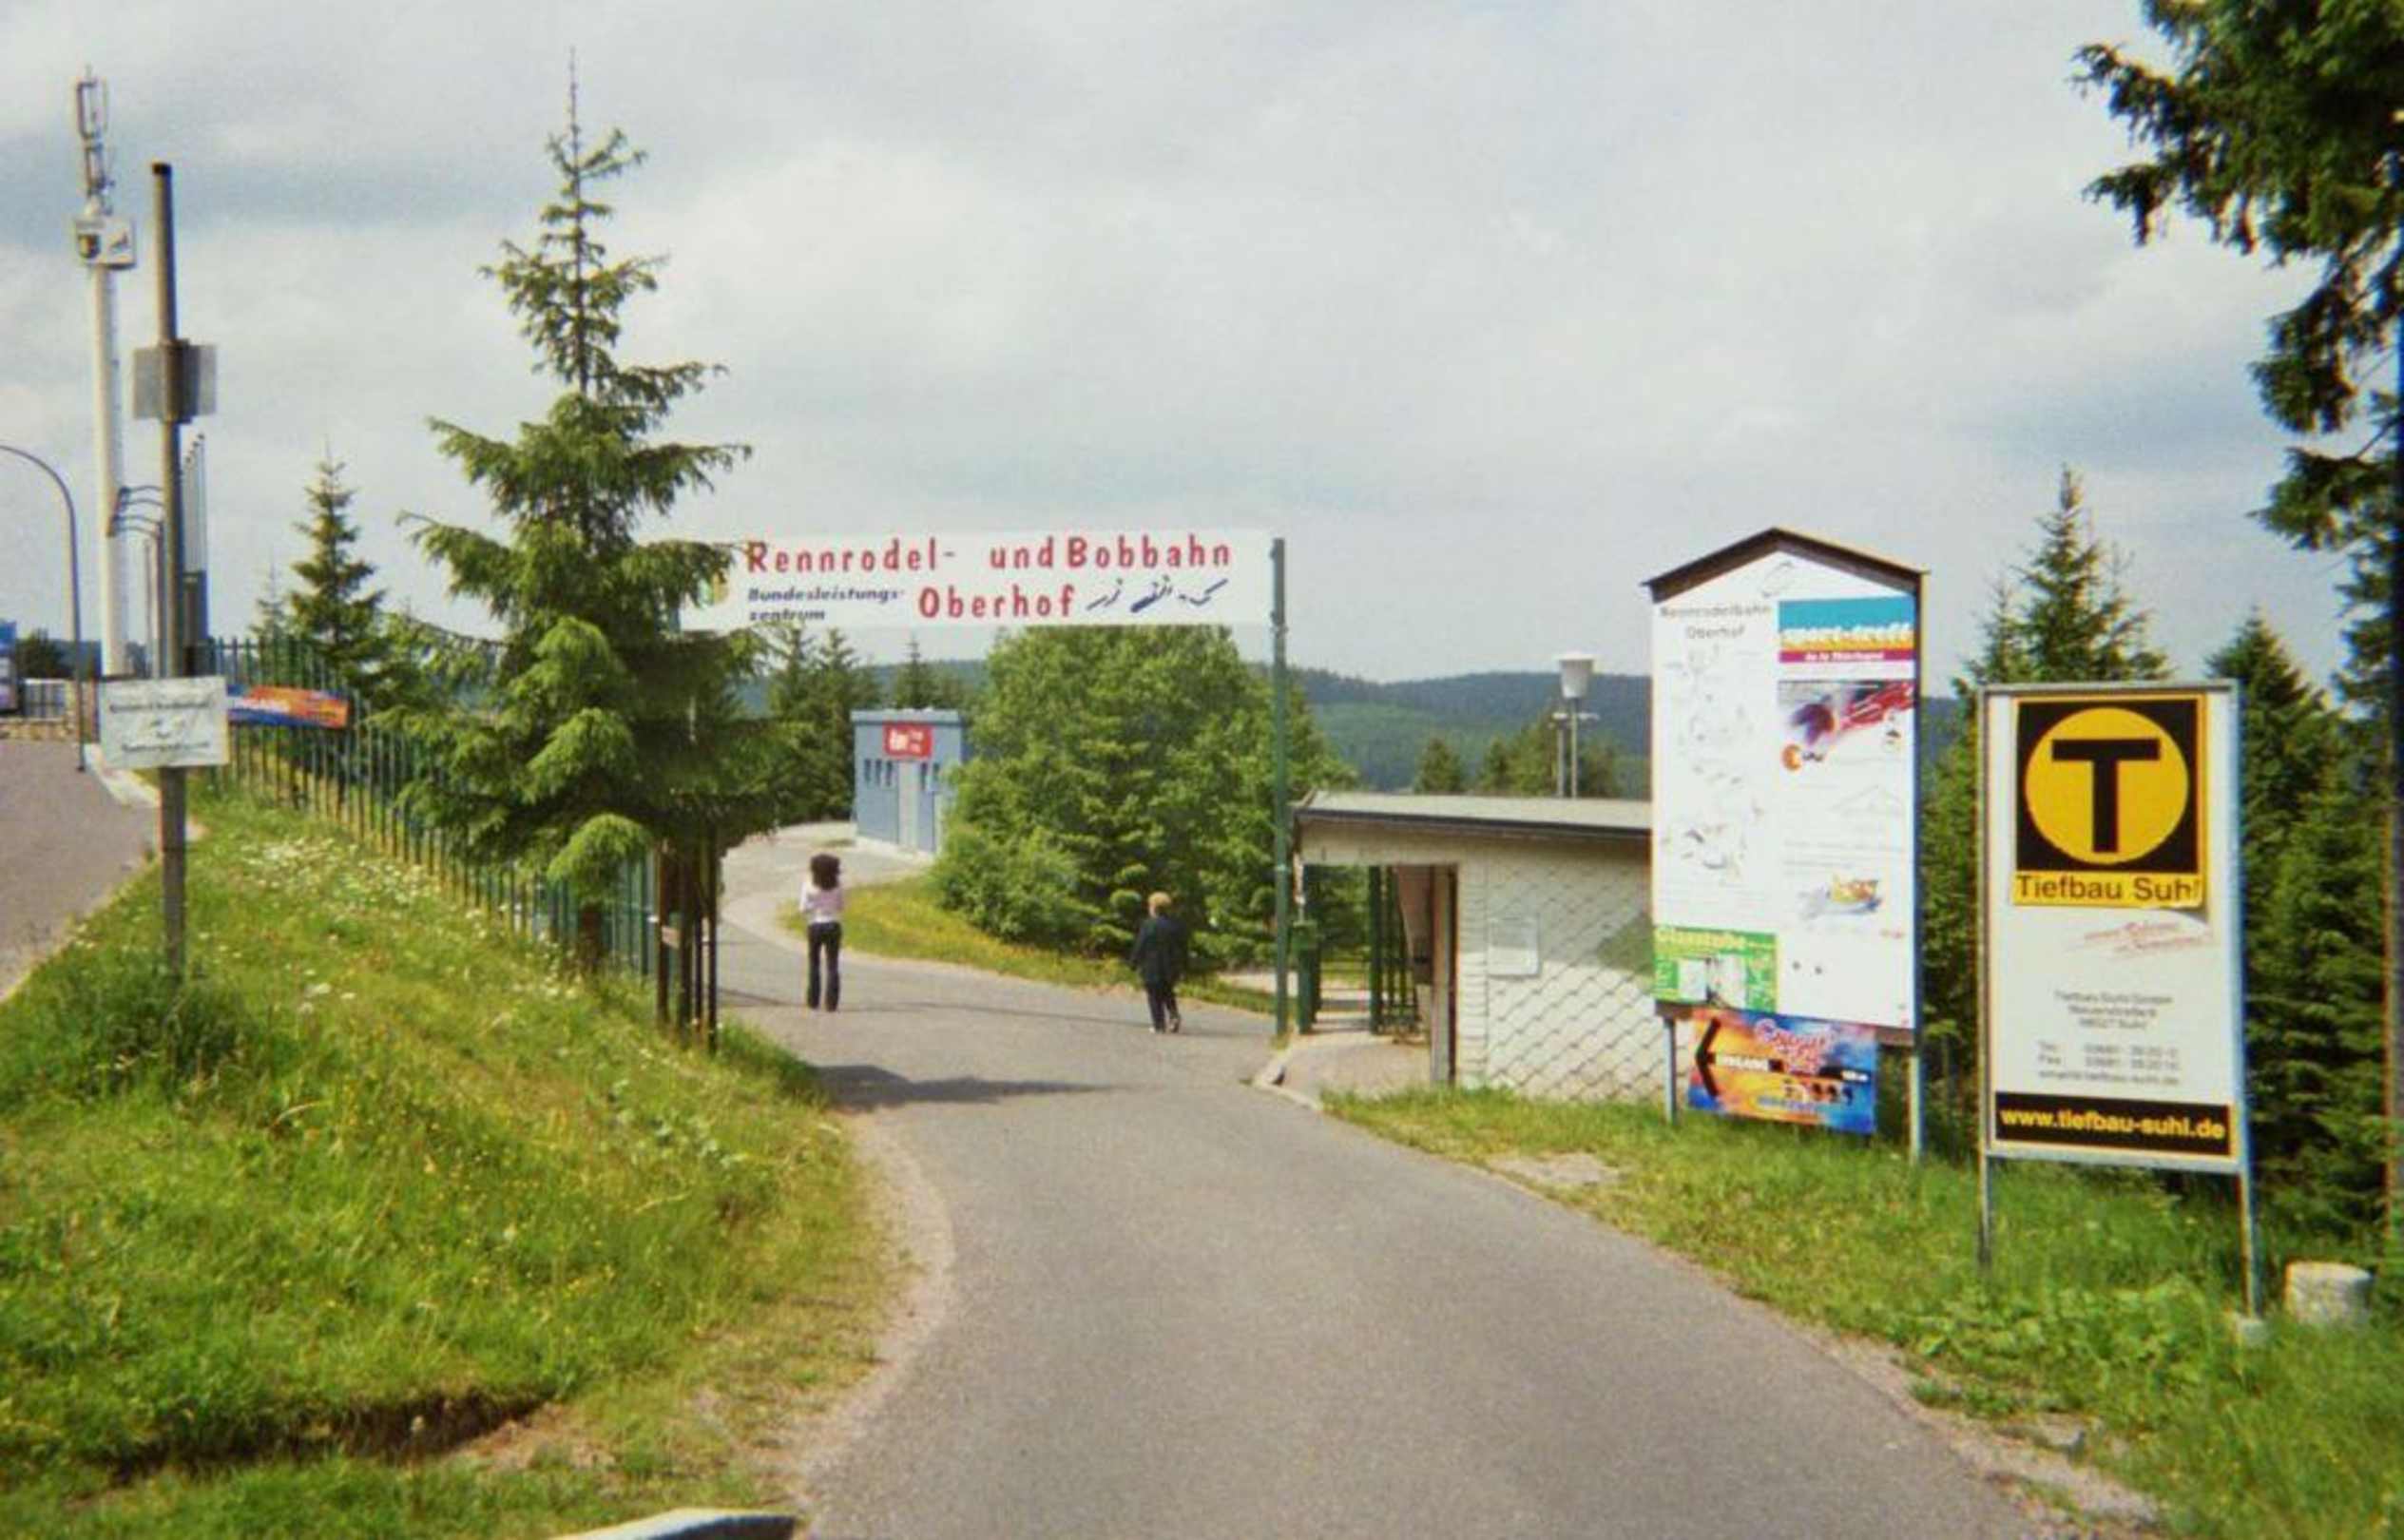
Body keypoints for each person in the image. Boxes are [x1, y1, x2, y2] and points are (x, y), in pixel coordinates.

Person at [1128, 890, 1188, 1033]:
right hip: (1171, 966)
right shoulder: (1175, 925)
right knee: (1167, 991)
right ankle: (1173, 1014)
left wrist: (1133, 962)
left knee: (1154, 995)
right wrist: (1184, 966)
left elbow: (1140, 945)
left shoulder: (1148, 925)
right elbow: (1183, 947)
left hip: (1152, 966)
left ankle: (1158, 1024)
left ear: (1153, 908)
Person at [802, 852, 845, 1011]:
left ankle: (813, 1000)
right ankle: (831, 1002)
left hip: (815, 924)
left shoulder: (809, 885)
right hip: (833, 924)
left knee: (814, 963)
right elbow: (841, 907)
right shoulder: (838, 886)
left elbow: (803, 908)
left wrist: (814, 906)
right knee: (832, 964)